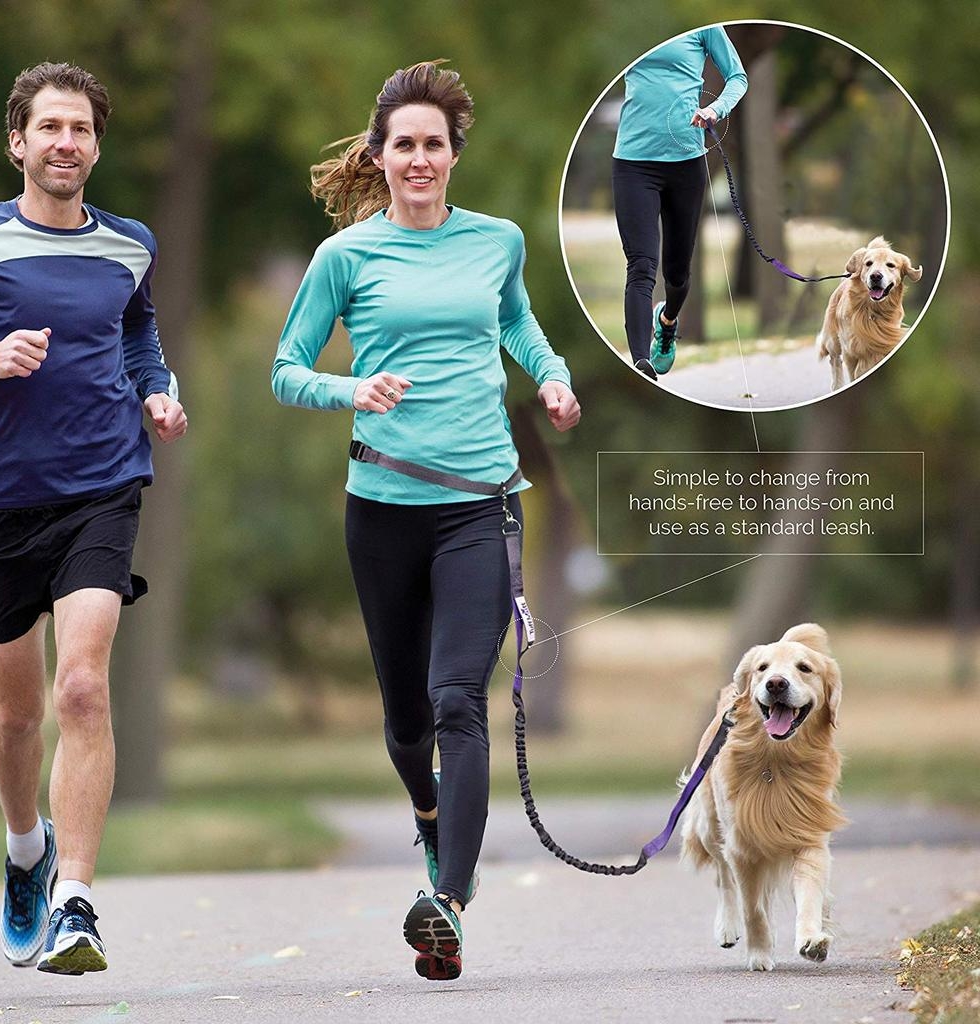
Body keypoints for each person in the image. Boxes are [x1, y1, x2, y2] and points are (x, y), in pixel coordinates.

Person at [273, 60, 580, 981]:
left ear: (453, 155)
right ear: (381, 154)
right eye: (402, 144)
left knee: (458, 702)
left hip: (480, 505)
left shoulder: (498, 242)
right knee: (407, 720)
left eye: (433, 145)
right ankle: (431, 814)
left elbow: (518, 326)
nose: (418, 158)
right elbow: (286, 368)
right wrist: (349, 387)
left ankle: (445, 899)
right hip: (382, 508)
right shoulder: (345, 258)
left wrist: (553, 375)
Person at [0, 62, 186, 975]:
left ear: (97, 143)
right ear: (18, 140)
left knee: (81, 688)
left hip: (102, 484)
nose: (65, 143)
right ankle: (25, 851)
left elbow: (139, 330)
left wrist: (159, 390)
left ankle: (77, 901)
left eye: (81, 129)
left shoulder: (131, 243)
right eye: (48, 127)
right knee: (13, 717)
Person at [613, 26, 747, 379]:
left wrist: (716, 109)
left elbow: (737, 77)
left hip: (686, 164)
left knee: (677, 272)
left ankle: (667, 320)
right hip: (633, 163)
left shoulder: (703, 26)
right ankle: (641, 359)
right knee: (640, 265)